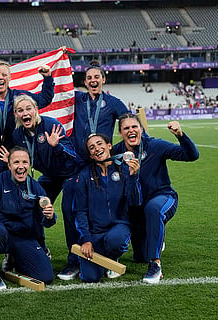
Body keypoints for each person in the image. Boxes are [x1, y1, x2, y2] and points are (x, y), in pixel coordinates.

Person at [57, 60, 129, 281]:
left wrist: (131, 150)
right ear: (85, 82)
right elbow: (58, 94)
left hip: (104, 164)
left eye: (97, 77)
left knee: (110, 207)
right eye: (89, 78)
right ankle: (75, 258)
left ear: (103, 79)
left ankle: (112, 251)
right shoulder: (77, 99)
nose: (93, 80)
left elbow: (128, 123)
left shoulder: (114, 102)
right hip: (79, 164)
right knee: (69, 210)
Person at [113, 113, 199, 284]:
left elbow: (191, 155)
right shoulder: (116, 152)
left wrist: (180, 136)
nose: (131, 131)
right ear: (121, 133)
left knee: (153, 210)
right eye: (126, 128)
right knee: (140, 256)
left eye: (134, 127)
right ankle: (154, 240)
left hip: (162, 197)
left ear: (141, 129)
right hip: (136, 207)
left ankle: (155, 266)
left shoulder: (155, 145)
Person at [0, 94, 80, 260]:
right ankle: (40, 247)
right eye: (20, 110)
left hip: (70, 173)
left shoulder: (51, 125)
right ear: (16, 114)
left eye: (28, 108)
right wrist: (11, 160)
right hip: (49, 176)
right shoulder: (18, 134)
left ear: (36, 110)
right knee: (33, 205)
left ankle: (75, 259)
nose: (25, 112)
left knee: (68, 210)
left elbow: (73, 156)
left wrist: (57, 146)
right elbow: (23, 159)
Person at [0, 60, 54, 213]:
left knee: (13, 200)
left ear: (10, 77)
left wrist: (48, 78)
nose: (0, 78)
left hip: (13, 159)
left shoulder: (19, 97)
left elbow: (44, 99)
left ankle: (12, 234)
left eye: (4, 74)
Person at [0, 146, 56, 290]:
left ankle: (15, 260)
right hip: (2, 235)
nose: (20, 167)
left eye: (24, 162)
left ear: (30, 164)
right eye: (16, 162)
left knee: (46, 277)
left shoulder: (36, 188)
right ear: (9, 165)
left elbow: (47, 222)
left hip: (24, 238)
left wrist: (50, 216)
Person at [74, 133, 141, 282]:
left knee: (115, 240)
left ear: (109, 145)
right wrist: (86, 240)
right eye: (92, 147)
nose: (97, 148)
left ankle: (112, 257)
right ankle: (97, 260)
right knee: (90, 277)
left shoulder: (124, 169)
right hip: (95, 233)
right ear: (90, 155)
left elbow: (134, 202)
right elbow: (80, 211)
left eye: (99, 144)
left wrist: (133, 178)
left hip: (118, 227)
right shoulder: (84, 176)